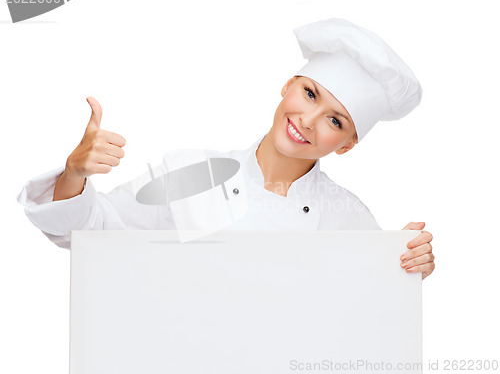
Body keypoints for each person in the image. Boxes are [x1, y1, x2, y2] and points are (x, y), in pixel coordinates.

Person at [17, 18, 435, 279]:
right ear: (288, 86)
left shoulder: (351, 219)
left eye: (335, 120)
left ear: (346, 145)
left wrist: (408, 264)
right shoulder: (196, 173)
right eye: (309, 93)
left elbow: (367, 310)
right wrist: (74, 174)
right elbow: (88, 234)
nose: (308, 120)